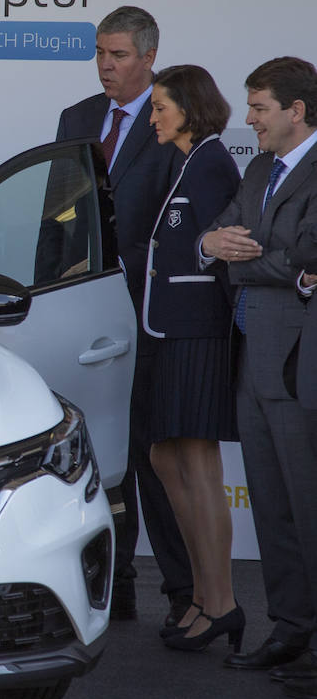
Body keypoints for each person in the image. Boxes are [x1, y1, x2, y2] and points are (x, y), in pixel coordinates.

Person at [57, 6, 188, 624]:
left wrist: (119, 275)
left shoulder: (172, 127)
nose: (105, 66)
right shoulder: (77, 118)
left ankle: (183, 591)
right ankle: (118, 581)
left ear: (148, 58)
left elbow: (176, 226)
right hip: (82, 314)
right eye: (100, 54)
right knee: (98, 447)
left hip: (147, 311)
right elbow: (55, 215)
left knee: (151, 452)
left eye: (118, 55)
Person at [200, 56, 317, 679]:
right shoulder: (259, 166)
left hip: (300, 364)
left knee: (308, 504)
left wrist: (240, 260)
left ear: (296, 112)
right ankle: (291, 628)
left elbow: (308, 255)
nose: (248, 119)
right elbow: (223, 233)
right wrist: (208, 245)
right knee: (272, 506)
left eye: (260, 108)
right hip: (252, 361)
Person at [138, 65, 242, 650]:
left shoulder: (211, 162)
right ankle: (203, 595)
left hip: (198, 333)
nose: (153, 117)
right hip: (168, 332)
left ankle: (220, 601)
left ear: (189, 107)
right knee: (164, 456)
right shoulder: (188, 160)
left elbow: (229, 241)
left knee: (200, 466)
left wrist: (205, 246)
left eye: (160, 107)